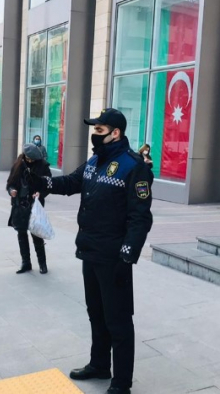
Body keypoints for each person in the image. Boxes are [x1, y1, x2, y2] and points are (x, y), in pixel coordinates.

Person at [30, 108, 153, 394]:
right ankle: (99, 364)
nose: (93, 135)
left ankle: (121, 382)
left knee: (118, 320)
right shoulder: (96, 160)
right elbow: (72, 182)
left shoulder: (133, 166)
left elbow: (140, 217)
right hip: (90, 249)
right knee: (96, 313)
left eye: (98, 130)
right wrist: (42, 182)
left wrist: (128, 253)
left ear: (115, 133)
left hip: (114, 257)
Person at [6, 143, 52, 274]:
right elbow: (10, 183)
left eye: (32, 159)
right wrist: (11, 191)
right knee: (21, 234)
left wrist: (40, 193)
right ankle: (26, 263)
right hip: (19, 205)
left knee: (36, 234)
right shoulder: (18, 165)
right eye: (28, 158)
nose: (30, 161)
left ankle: (42, 263)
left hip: (34, 205)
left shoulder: (43, 166)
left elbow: (48, 185)